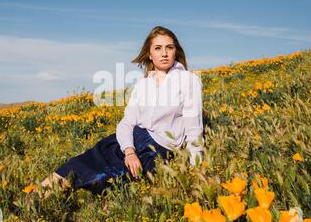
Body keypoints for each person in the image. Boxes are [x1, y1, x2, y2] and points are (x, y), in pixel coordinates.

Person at [39, 26, 204, 197]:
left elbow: (194, 131)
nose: (164, 53)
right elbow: (127, 122)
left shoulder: (189, 81)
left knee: (98, 178)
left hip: (153, 152)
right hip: (126, 143)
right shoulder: (143, 85)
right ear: (149, 54)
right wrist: (129, 151)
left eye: (169, 47)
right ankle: (26, 205)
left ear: (175, 51)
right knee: (75, 166)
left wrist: (195, 174)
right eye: (158, 48)